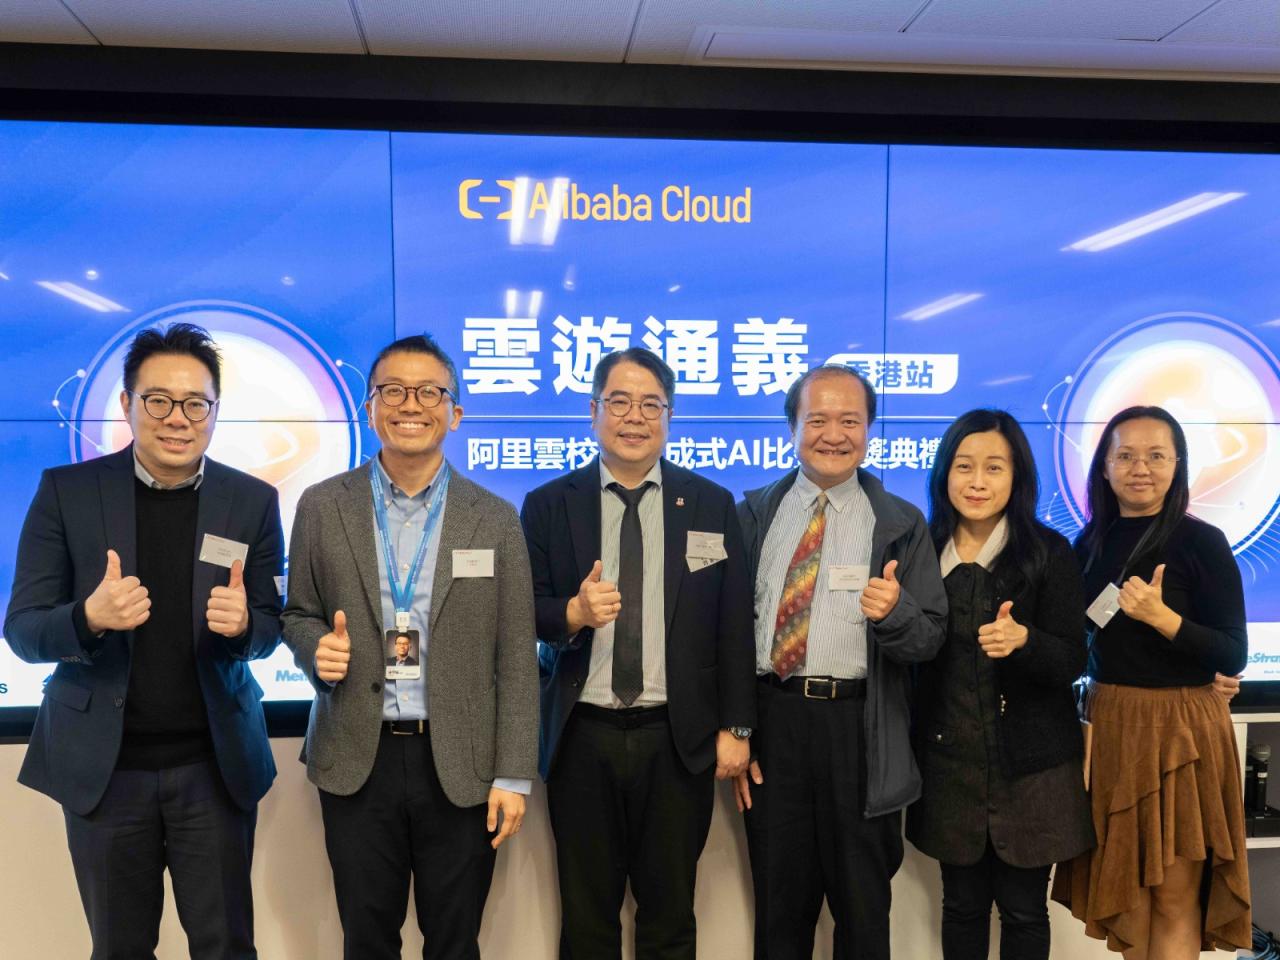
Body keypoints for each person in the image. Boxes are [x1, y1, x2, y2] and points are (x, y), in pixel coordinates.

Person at [5, 323, 284, 959]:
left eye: (196, 404)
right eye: (159, 400)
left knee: (226, 947)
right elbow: (22, 629)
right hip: (106, 772)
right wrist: (88, 617)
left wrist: (246, 627)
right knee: (119, 949)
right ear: (128, 404)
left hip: (213, 769)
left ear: (215, 411)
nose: (177, 419)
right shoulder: (67, 493)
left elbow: (271, 628)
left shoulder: (251, 501)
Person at [282, 334, 538, 960]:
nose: (411, 405)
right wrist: (315, 649)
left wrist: (513, 774)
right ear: (370, 408)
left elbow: (515, 654)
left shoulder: (495, 517)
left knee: (455, 941)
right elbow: (297, 614)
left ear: (455, 412)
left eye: (429, 392)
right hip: (357, 757)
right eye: (393, 391)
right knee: (367, 940)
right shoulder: (322, 505)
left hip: (462, 764)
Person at [520, 346, 755, 960]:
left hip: (677, 739)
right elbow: (524, 611)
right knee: (586, 917)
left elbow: (733, 623)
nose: (634, 417)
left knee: (670, 914)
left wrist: (737, 726)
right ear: (593, 411)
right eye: (619, 402)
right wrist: (573, 613)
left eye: (651, 405)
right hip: (582, 735)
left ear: (669, 416)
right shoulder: (548, 504)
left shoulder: (710, 503)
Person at [734, 363, 947, 960]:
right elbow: (726, 633)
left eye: (850, 421)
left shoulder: (901, 523)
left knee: (863, 912)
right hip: (775, 726)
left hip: (861, 732)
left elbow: (930, 638)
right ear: (792, 428)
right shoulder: (753, 515)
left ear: (869, 430)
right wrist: (738, 727)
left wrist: (896, 613)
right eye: (818, 420)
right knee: (780, 913)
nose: (834, 434)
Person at [1052, 405, 1251, 958]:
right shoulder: (1088, 543)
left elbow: (1233, 651)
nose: (1141, 468)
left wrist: (1164, 619)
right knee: (1128, 898)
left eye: (1157, 455)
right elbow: (1079, 640)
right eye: (1126, 455)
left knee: (1172, 897)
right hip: (1111, 724)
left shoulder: (1202, 542)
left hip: (1182, 730)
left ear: (1178, 465)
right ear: (1105, 467)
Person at [906, 409, 1093, 960]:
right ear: (944, 473)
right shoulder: (920, 550)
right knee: (961, 906)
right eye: (964, 466)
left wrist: (1025, 641)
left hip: (1031, 768)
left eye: (994, 467)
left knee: (1024, 909)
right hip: (949, 764)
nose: (978, 482)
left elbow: (1073, 657)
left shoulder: (1049, 552)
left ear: (1017, 477)